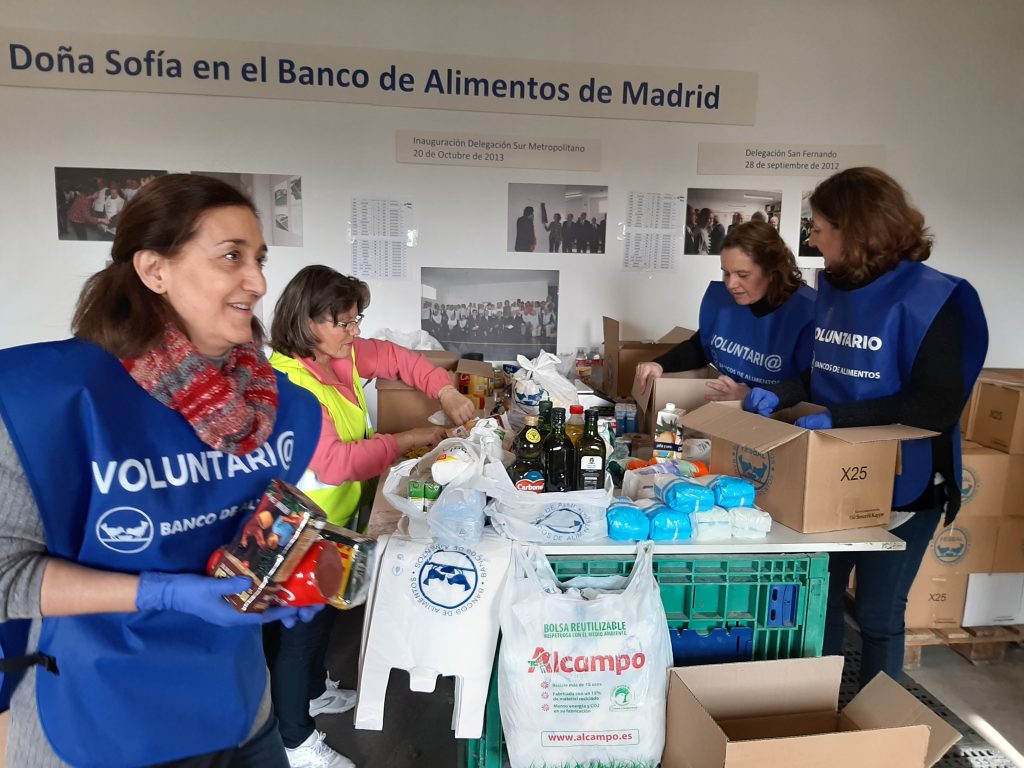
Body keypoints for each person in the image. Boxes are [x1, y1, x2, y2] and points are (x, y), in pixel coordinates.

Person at [0, 173, 324, 767]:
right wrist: (162, 593)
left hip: (239, 710)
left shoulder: (279, 410)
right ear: (154, 270)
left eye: (259, 259)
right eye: (231, 256)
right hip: (100, 721)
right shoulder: (46, 402)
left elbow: (255, 532)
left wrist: (291, 571)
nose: (258, 283)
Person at [742, 167, 988, 688]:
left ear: (854, 230)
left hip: (906, 485)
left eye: (819, 227)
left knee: (878, 615)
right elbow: (822, 370)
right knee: (821, 601)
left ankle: (878, 726)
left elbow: (936, 405)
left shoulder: (939, 299)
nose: (811, 240)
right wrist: (783, 392)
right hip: (832, 476)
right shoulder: (836, 290)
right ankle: (820, 705)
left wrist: (841, 417)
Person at [266, 265, 476, 767]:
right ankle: (295, 742)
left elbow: (402, 360)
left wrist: (446, 391)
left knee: (324, 612)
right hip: (299, 525)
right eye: (343, 322)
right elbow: (335, 463)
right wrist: (405, 441)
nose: (354, 330)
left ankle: (313, 692)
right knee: (301, 631)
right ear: (306, 321)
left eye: (356, 319)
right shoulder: (291, 383)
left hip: (333, 521)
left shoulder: (342, 354)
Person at [634, 221, 816, 402]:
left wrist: (755, 396)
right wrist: (660, 364)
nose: (730, 284)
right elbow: (701, 347)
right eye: (726, 273)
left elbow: (813, 381)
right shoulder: (725, 302)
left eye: (743, 275)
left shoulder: (807, 312)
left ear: (771, 273)